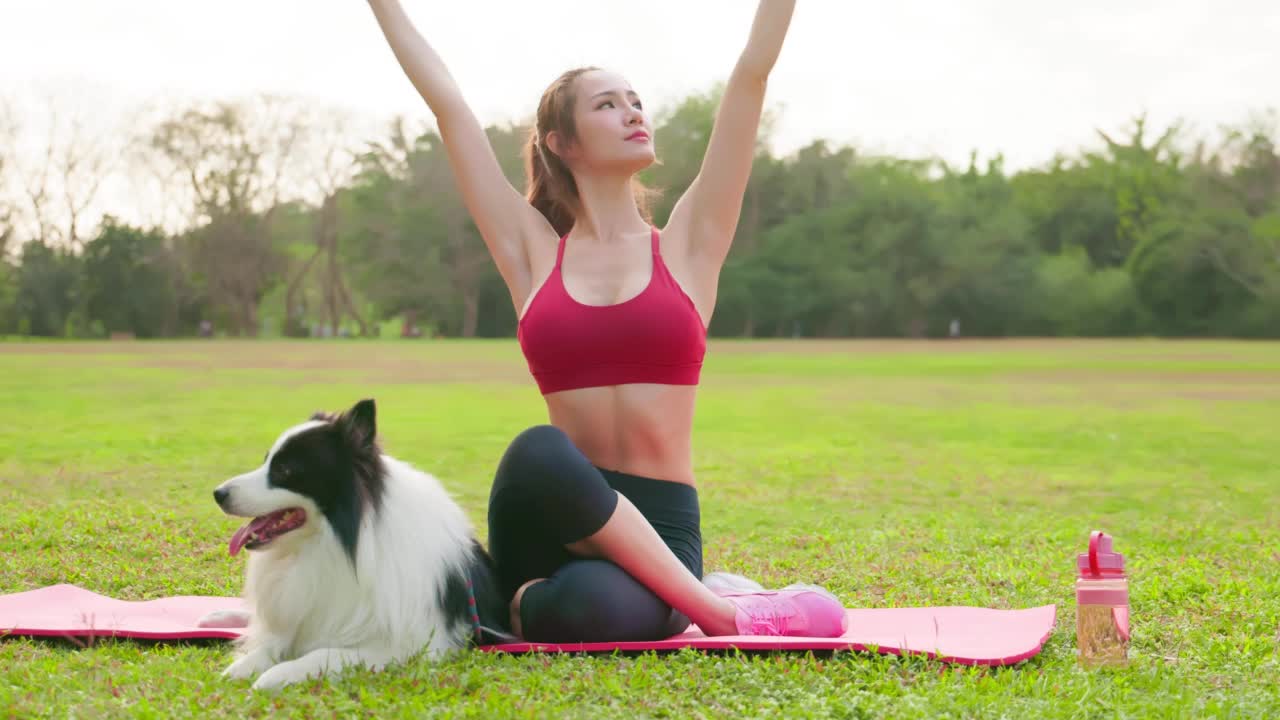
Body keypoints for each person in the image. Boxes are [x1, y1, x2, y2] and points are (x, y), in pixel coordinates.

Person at [366, 0, 846, 642]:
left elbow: (750, 76)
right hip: (550, 511)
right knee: (539, 449)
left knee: (594, 615)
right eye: (607, 104)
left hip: (663, 524)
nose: (633, 112)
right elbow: (449, 107)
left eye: (636, 99)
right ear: (561, 144)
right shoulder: (532, 252)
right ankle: (722, 613)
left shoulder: (689, 244)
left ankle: (552, 601)